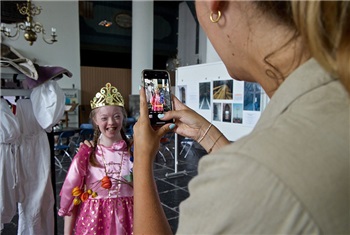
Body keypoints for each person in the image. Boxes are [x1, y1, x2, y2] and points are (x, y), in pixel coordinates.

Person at [132, 1, 349, 234]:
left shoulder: (243, 177)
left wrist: (142, 160)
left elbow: (255, 177)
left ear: (214, 5)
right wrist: (205, 133)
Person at [58, 83, 134, 235]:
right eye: (104, 118)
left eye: (117, 116)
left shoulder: (133, 151)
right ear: (95, 121)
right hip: (93, 223)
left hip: (129, 221)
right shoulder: (87, 154)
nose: (111, 122)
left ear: (123, 118)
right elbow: (72, 195)